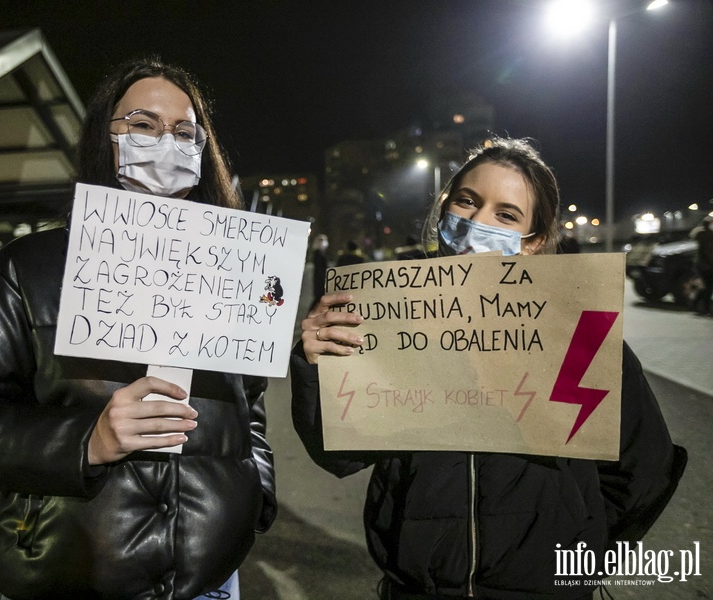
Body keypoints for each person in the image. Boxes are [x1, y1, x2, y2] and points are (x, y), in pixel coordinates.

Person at [0, 57, 276, 600]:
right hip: (73, 573)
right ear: (107, 138)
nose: (165, 142)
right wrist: (87, 441)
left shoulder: (236, 269)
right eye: (143, 125)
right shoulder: (27, 268)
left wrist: (256, 494)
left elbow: (251, 405)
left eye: (184, 131)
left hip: (211, 580)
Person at [291, 138, 686, 600]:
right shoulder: (391, 317)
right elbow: (338, 453)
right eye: (467, 201)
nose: (477, 222)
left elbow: (644, 467)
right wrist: (315, 362)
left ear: (534, 240)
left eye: (506, 214)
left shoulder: (575, 332)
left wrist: (580, 554)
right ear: (444, 212)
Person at [691, 215, 713, 316]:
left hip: (702, 265)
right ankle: (705, 308)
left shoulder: (702, 234)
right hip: (706, 266)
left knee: (706, 287)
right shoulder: (707, 236)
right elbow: (709, 253)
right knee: (708, 287)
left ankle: (695, 305)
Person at [309, 233, 330, 311]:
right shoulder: (318, 253)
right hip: (320, 279)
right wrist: (324, 278)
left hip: (320, 279)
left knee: (319, 298)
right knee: (319, 298)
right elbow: (319, 268)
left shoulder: (321, 253)